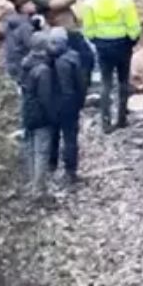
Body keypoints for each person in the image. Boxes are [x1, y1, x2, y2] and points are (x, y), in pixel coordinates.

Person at [78, 0, 142, 133]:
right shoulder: (126, 2)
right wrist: (132, 40)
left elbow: (88, 29)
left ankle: (105, 122)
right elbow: (134, 26)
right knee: (123, 81)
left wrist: (97, 41)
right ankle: (121, 119)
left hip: (103, 46)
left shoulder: (90, 3)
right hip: (123, 45)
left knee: (106, 83)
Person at [19, 33, 60, 197]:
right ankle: (39, 189)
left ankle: (31, 183)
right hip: (41, 116)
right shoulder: (43, 70)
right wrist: (53, 117)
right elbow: (45, 98)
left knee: (30, 148)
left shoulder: (26, 63)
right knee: (41, 152)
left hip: (27, 111)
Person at [48, 28, 88, 186]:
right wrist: (80, 102)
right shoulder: (73, 58)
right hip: (70, 104)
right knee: (70, 138)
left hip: (52, 103)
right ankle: (70, 171)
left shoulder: (47, 58)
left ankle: (51, 165)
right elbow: (81, 84)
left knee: (53, 135)